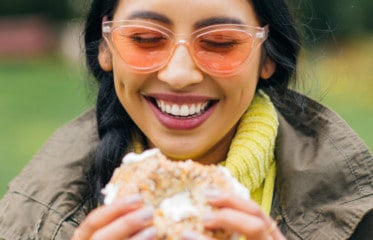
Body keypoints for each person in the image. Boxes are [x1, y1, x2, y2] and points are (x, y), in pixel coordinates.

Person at [0, 0, 372, 239]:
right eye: (145, 39)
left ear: (267, 56)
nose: (179, 75)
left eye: (221, 42)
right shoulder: (29, 218)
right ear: (107, 48)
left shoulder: (358, 212)